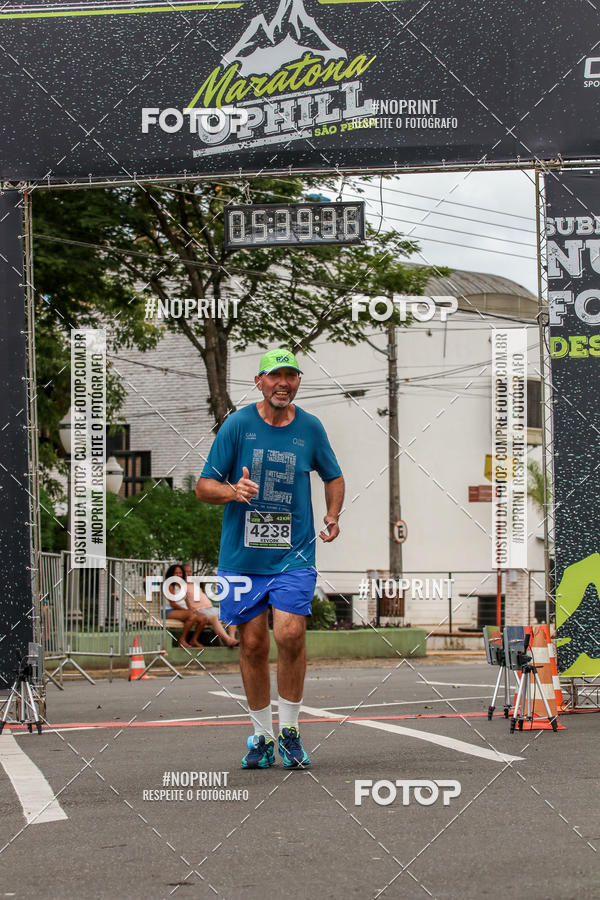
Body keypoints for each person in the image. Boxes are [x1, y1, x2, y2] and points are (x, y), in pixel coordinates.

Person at [196, 348, 344, 769]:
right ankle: (262, 737)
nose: (284, 383)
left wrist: (332, 514)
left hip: (293, 554)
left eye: (291, 376)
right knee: (254, 642)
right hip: (242, 558)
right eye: (275, 376)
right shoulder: (238, 425)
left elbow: (333, 476)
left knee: (291, 634)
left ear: (298, 382)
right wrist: (232, 491)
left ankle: (291, 730)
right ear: (259, 382)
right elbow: (204, 486)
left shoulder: (311, 428)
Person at [182, 562, 239, 648]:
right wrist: (192, 611)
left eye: (190, 571)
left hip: (211, 608)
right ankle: (228, 640)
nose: (188, 574)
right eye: (186, 571)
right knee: (213, 618)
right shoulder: (182, 586)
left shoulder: (194, 584)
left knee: (231, 613)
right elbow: (184, 603)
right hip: (200, 611)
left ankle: (232, 638)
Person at [163, 563, 207, 649]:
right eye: (176, 573)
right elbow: (173, 604)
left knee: (203, 618)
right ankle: (182, 640)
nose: (179, 575)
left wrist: (191, 609)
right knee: (192, 616)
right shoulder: (169, 585)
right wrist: (187, 611)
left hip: (182, 611)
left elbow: (187, 601)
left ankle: (193, 640)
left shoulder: (182, 585)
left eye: (180, 573)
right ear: (171, 574)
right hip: (169, 611)